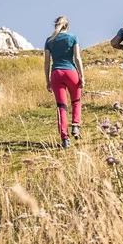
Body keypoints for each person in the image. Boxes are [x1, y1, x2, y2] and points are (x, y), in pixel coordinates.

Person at [43, 16, 85, 148]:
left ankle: (64, 139)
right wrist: (82, 76)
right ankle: (76, 126)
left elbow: (47, 62)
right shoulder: (73, 38)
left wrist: (47, 80)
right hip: (71, 72)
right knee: (76, 101)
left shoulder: (49, 41)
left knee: (62, 107)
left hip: (56, 74)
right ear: (67, 26)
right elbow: (77, 58)